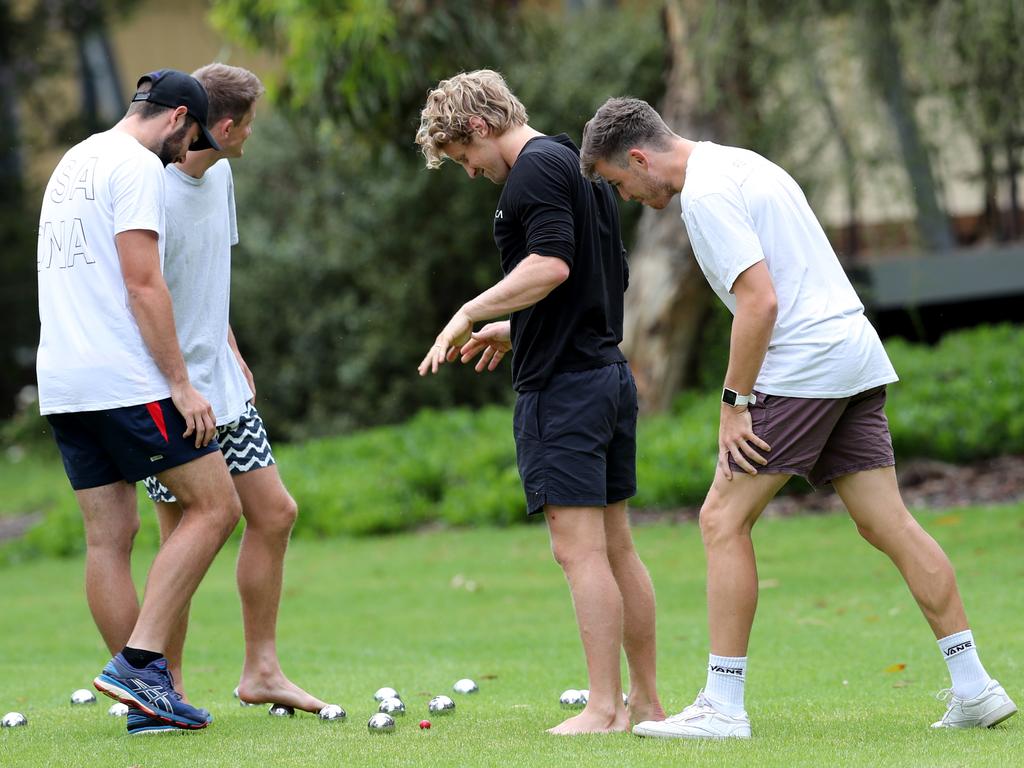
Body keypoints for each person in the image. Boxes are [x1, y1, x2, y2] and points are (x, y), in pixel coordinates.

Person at [579, 96, 1018, 739]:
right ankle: (976, 686)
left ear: (640, 158)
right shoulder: (745, 163)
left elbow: (759, 303)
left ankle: (724, 708)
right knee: (886, 522)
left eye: (621, 183)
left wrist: (735, 404)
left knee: (722, 519)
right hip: (853, 352)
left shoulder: (704, 194)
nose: (630, 196)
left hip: (804, 364)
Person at [415, 70, 665, 735]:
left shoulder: (531, 172)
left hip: (566, 391)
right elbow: (597, 274)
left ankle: (604, 708)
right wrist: (516, 325)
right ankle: (644, 702)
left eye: (465, 159)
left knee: (579, 551)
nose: (470, 173)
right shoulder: (580, 168)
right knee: (617, 550)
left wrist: (470, 311)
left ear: (478, 128)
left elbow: (551, 265)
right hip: (606, 374)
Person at [128, 63, 332, 735]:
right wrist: (177, 382)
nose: (251, 136)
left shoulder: (222, 176)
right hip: (169, 392)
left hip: (223, 388)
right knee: (182, 539)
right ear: (223, 126)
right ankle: (167, 685)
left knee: (273, 513)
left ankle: (261, 670)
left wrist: (232, 353)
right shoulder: (150, 190)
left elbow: (210, 277)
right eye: (248, 125)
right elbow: (140, 296)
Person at [36, 69, 242, 731]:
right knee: (215, 506)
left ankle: (146, 701)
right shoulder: (137, 167)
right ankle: (140, 664)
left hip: (63, 381)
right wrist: (182, 384)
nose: (188, 153)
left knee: (110, 537)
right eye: (191, 137)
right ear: (178, 116)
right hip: (124, 380)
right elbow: (144, 283)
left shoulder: (76, 159)